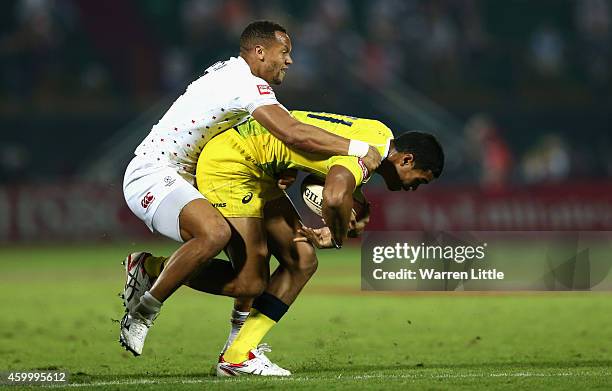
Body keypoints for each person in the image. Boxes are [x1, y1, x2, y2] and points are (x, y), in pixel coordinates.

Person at [119, 21, 383, 357]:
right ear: (259, 52)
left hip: (201, 176)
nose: (289, 61)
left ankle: (234, 347)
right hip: (154, 172)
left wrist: (283, 169)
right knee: (213, 234)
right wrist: (357, 148)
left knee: (251, 281)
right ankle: (143, 311)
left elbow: (273, 139)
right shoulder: (244, 83)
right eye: (284, 52)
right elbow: (293, 133)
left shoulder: (238, 79)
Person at [139, 110, 444, 375]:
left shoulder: (380, 132)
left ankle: (236, 355)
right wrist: (335, 233)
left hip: (258, 165)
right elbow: (335, 195)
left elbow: (318, 138)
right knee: (249, 283)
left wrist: (299, 171)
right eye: (420, 179)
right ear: (407, 159)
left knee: (302, 260)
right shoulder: (366, 158)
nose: (414, 188)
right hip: (232, 165)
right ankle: (152, 269)